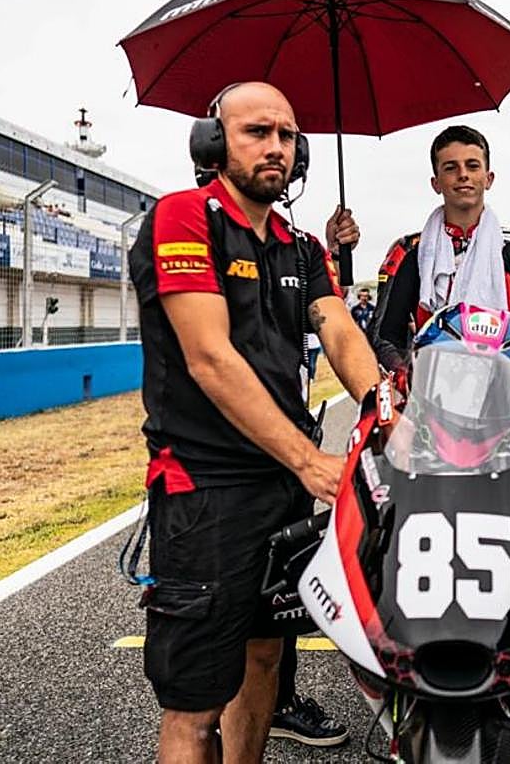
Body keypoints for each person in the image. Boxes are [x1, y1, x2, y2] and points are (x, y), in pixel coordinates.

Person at [128, 81, 381, 763]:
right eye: (256, 132)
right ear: (214, 143)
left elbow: (340, 330)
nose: (275, 147)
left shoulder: (300, 247)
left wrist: (383, 407)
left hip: (282, 490)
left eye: (287, 135)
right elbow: (210, 358)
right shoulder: (184, 217)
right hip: (206, 489)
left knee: (266, 659)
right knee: (195, 705)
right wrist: (308, 460)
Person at [367, 125, 510, 376]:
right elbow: (384, 338)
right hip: (430, 393)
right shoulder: (408, 251)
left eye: (473, 165)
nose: (463, 174)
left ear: (489, 179)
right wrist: (407, 379)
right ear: (436, 183)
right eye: (451, 167)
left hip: (507, 391)